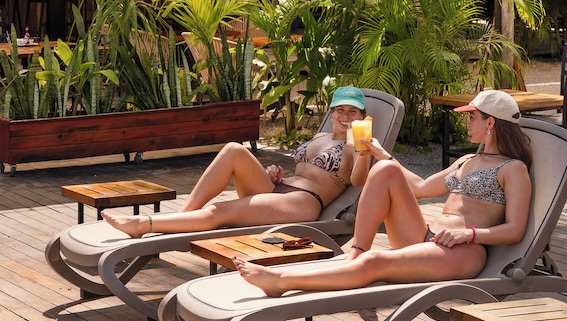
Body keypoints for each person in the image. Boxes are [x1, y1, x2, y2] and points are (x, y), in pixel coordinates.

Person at [234, 90, 533, 298]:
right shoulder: (467, 160)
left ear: (490, 122)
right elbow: (419, 188)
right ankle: (356, 250)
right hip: (425, 236)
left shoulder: (513, 169)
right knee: (385, 169)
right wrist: (380, 154)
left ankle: (281, 281)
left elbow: (515, 229)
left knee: (376, 262)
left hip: (463, 251)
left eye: (473, 117)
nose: (467, 122)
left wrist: (468, 234)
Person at [102, 86, 373, 237]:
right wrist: (275, 174)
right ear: (331, 113)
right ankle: (183, 215)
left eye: (353, 111)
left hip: (301, 203)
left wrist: (363, 149)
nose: (345, 116)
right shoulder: (321, 136)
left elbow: (358, 180)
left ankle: (144, 224)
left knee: (220, 211)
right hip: (280, 188)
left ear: (362, 116)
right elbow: (304, 171)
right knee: (234, 149)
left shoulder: (356, 145)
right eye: (340, 110)